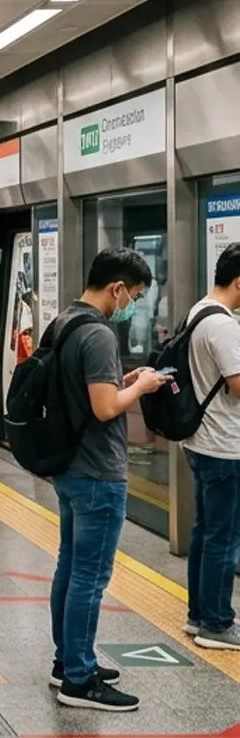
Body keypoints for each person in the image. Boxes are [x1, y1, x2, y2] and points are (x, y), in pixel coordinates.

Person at [46, 247, 166, 711]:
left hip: (69, 466)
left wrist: (123, 378)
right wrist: (140, 386)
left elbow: (86, 390)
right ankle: (79, 679)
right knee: (89, 579)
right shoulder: (97, 333)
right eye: (132, 295)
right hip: (97, 472)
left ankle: (67, 661)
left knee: (69, 568)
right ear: (116, 287)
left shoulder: (64, 321)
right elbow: (104, 407)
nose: (130, 304)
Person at [183, 243, 240, 652]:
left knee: (205, 530)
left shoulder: (198, 310)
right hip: (224, 445)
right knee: (224, 536)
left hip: (201, 441)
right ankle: (217, 624)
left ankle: (198, 614)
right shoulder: (224, 326)